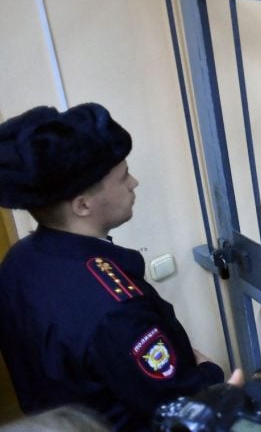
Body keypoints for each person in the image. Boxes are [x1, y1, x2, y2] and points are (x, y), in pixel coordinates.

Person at [0, 104, 225, 431]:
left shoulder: (19, 262)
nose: (134, 182)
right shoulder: (115, 308)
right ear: (83, 204)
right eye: (122, 176)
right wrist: (209, 372)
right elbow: (177, 405)